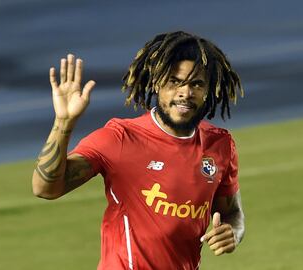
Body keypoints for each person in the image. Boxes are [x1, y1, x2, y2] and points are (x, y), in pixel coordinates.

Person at [32, 31, 245, 270]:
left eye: (196, 84)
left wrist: (233, 232)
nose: (185, 93)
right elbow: (45, 189)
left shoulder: (220, 145)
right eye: (174, 81)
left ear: (208, 89)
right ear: (156, 83)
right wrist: (63, 122)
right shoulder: (120, 138)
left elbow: (232, 212)